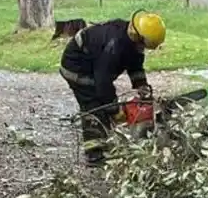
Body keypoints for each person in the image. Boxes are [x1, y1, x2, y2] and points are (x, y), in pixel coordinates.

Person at [59, 10, 166, 165]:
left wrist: (141, 85)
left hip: (94, 66)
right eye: (145, 45)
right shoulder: (114, 45)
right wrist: (115, 110)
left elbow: (135, 66)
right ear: (139, 37)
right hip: (76, 66)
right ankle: (94, 153)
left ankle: (104, 135)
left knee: (103, 102)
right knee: (93, 104)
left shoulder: (133, 43)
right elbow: (103, 82)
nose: (144, 49)